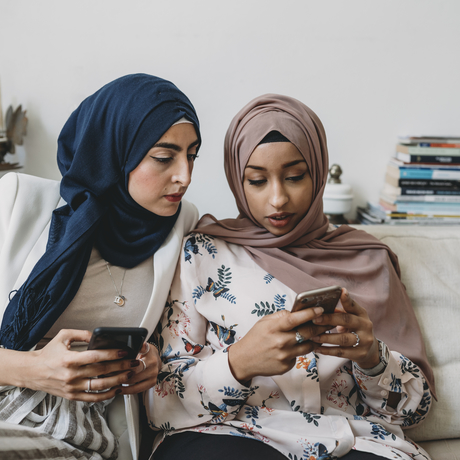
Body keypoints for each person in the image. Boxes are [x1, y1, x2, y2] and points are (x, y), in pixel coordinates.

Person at [145, 94, 435, 460]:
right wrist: (240, 363)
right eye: (257, 181)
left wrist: (372, 358)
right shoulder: (201, 254)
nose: (278, 199)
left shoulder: (369, 259)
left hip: (357, 442)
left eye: (295, 176)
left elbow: (410, 412)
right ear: (237, 179)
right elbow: (160, 405)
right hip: (233, 437)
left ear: (319, 170)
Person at [0, 73, 201, 460]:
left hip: (89, 430)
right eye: (164, 157)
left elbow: (181, 333)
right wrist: (34, 368)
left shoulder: (182, 223)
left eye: (192, 155)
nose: (185, 176)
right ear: (114, 149)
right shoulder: (16, 201)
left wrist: (152, 361)